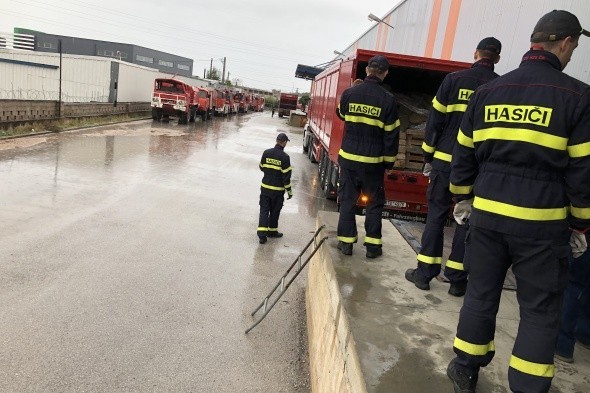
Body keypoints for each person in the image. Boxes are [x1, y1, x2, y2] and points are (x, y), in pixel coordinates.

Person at [445, 10, 590, 393]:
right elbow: (583, 170)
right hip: (542, 225)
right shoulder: (579, 96)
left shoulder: (488, 92)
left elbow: (463, 153)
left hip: (488, 217)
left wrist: (463, 197)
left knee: (480, 293)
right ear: (566, 43)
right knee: (540, 311)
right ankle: (526, 387)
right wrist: (580, 223)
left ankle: (465, 369)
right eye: (574, 46)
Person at [405, 37, 501, 297]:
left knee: (436, 215)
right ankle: (457, 280)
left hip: (445, 161)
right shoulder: (501, 87)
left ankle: (424, 274)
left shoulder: (453, 80)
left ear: (475, 53)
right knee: (466, 220)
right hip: (477, 168)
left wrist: (427, 155)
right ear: (498, 59)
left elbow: (435, 121)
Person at [335, 55, 400, 259]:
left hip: (349, 160)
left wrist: (353, 89)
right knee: (373, 203)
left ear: (367, 71)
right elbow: (391, 135)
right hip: (373, 164)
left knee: (347, 201)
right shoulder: (388, 100)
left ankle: (346, 243)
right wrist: (389, 162)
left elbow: (342, 114)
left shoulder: (349, 93)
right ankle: (373, 247)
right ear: (385, 73)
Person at [554, 249, 590, 363]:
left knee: (573, 284)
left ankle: (562, 344)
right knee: (584, 284)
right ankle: (585, 333)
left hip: (583, 238)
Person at [257, 133, 292, 244]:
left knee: (264, 210)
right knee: (275, 211)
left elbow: (261, 167)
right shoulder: (285, 157)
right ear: (284, 142)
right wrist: (289, 192)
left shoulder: (266, 153)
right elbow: (286, 177)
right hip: (277, 191)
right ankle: (272, 232)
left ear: (276, 140)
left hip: (265, 188)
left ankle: (262, 236)